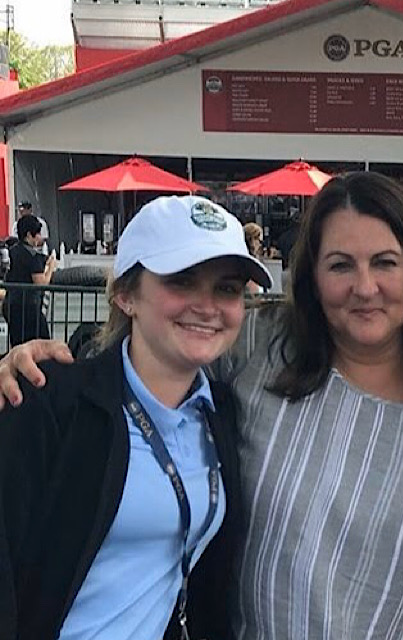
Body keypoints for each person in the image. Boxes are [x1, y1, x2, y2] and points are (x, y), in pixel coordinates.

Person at [0, 172, 403, 640]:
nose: (364, 286)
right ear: (310, 278)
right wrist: (24, 366)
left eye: (385, 263)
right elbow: (140, 365)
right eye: (340, 265)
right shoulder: (260, 352)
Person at [0, 195, 273, 640]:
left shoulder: (221, 411)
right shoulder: (48, 399)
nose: (207, 305)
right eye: (182, 281)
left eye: (226, 288)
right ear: (126, 295)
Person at [2, 215, 57, 346]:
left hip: (10, 306)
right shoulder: (32, 257)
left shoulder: (13, 251)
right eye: (37, 233)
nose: (40, 237)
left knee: (18, 347)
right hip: (28, 309)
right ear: (28, 235)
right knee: (42, 346)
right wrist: (51, 268)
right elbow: (41, 284)